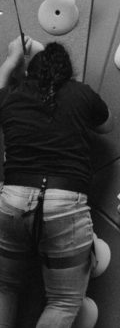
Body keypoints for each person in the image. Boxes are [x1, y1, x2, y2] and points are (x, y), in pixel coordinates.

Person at [0, 37, 113, 327]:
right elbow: (107, 124)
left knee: (5, 288)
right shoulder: (80, 93)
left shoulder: (13, 96)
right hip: (65, 202)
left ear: (27, 72)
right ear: (67, 72)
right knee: (63, 301)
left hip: (12, 199)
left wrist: (11, 60)